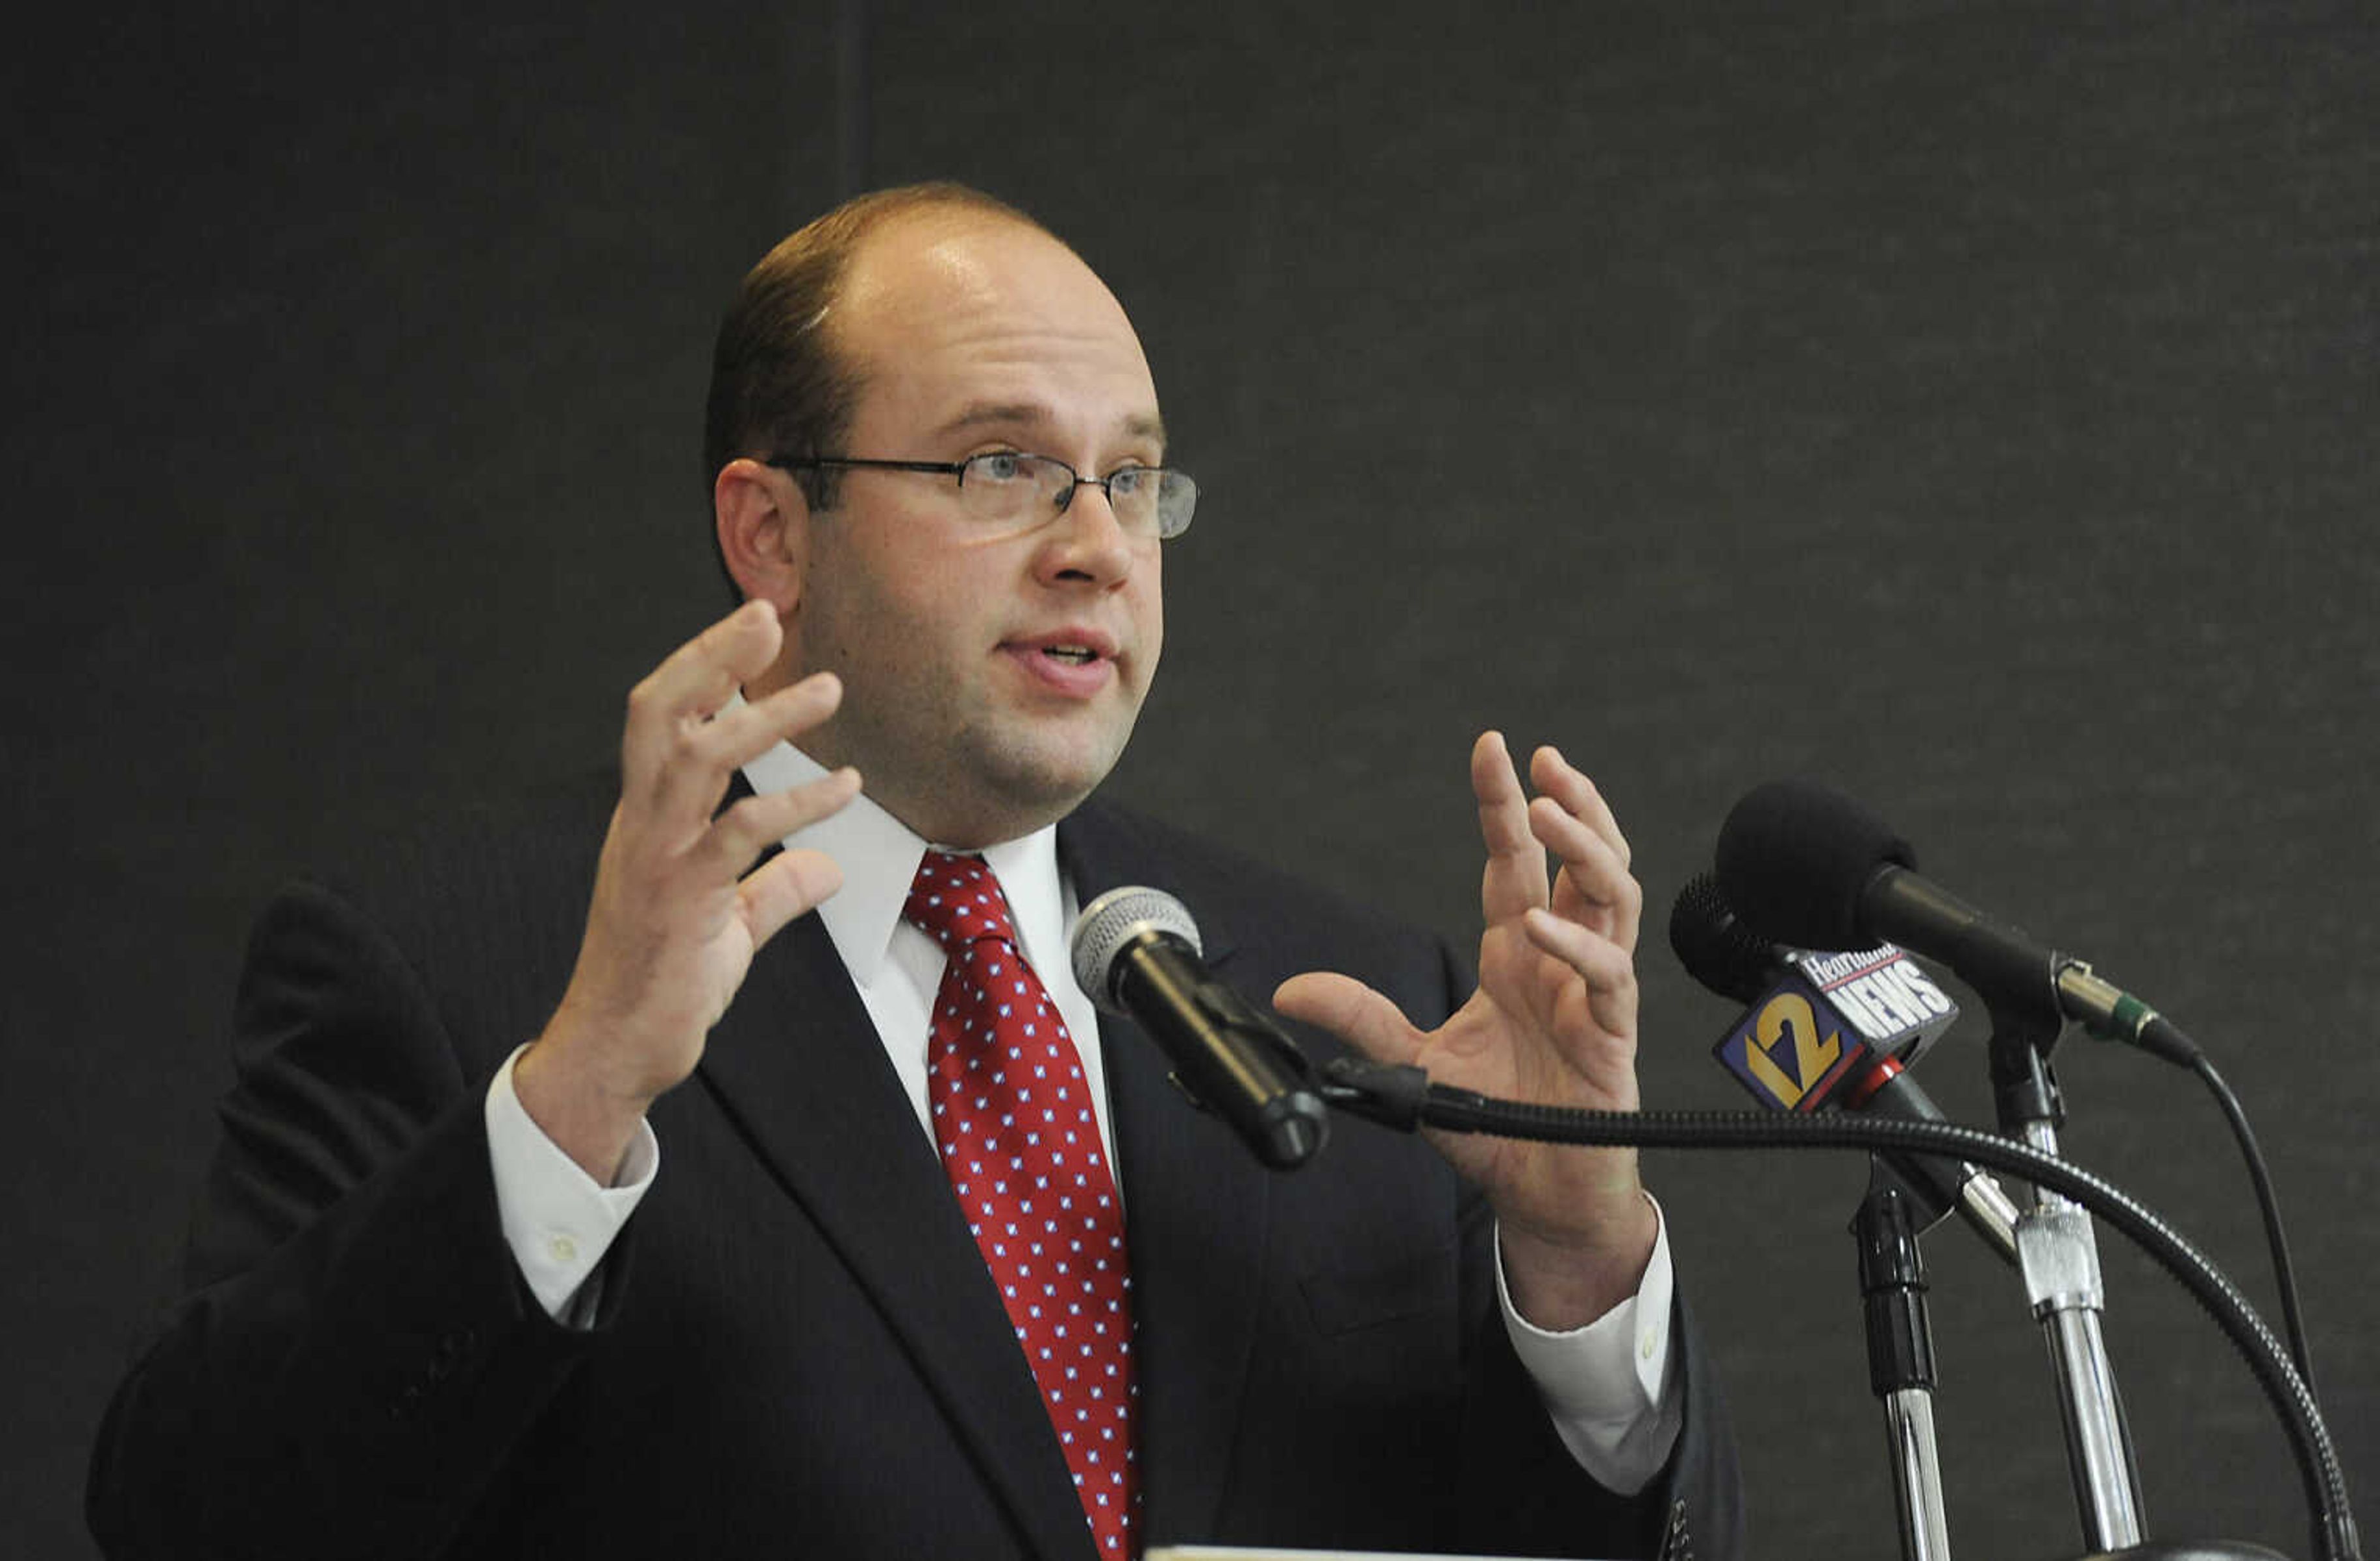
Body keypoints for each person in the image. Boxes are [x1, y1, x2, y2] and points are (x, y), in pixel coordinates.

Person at [89, 182, 1741, 1560]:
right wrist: (579, 1098)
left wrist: (1584, 1263)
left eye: (1130, 476)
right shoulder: (473, 978)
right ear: (771, 534)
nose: (1097, 542)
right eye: (1000, 467)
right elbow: (199, 1519)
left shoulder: (1344, 1010)